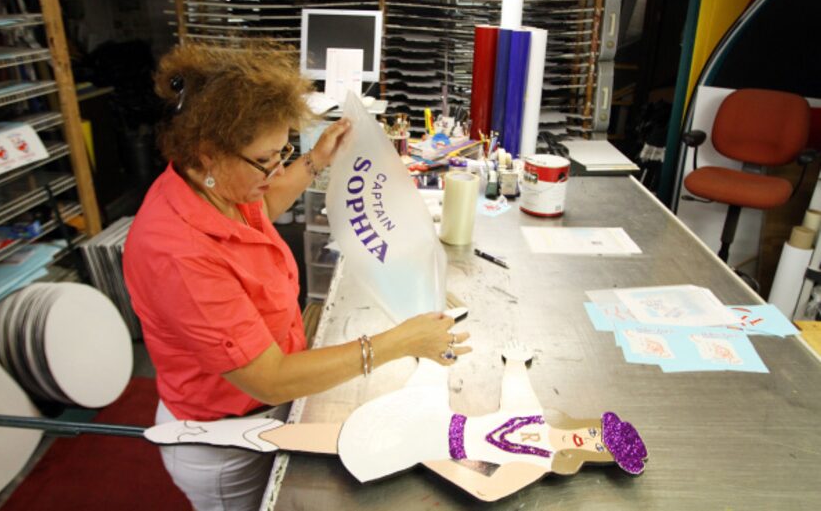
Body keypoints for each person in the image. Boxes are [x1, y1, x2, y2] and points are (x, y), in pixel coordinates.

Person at [123, 40, 472, 511]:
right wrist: (400, 343)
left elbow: (262, 204)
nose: (276, 168)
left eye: (283, 149)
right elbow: (268, 378)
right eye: (267, 158)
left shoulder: (216, 186)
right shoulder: (178, 253)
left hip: (264, 408)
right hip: (227, 440)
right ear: (207, 154)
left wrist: (316, 159)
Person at [145, 346, 648, 502]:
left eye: (598, 446)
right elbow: (517, 380)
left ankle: (207, 433)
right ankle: (203, 430)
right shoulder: (535, 417)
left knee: (323, 439)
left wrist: (430, 459)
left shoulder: (536, 466)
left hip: (428, 439)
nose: (590, 438)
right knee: (434, 366)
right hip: (434, 418)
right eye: (598, 431)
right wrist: (516, 361)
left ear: (590, 456)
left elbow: (489, 492)